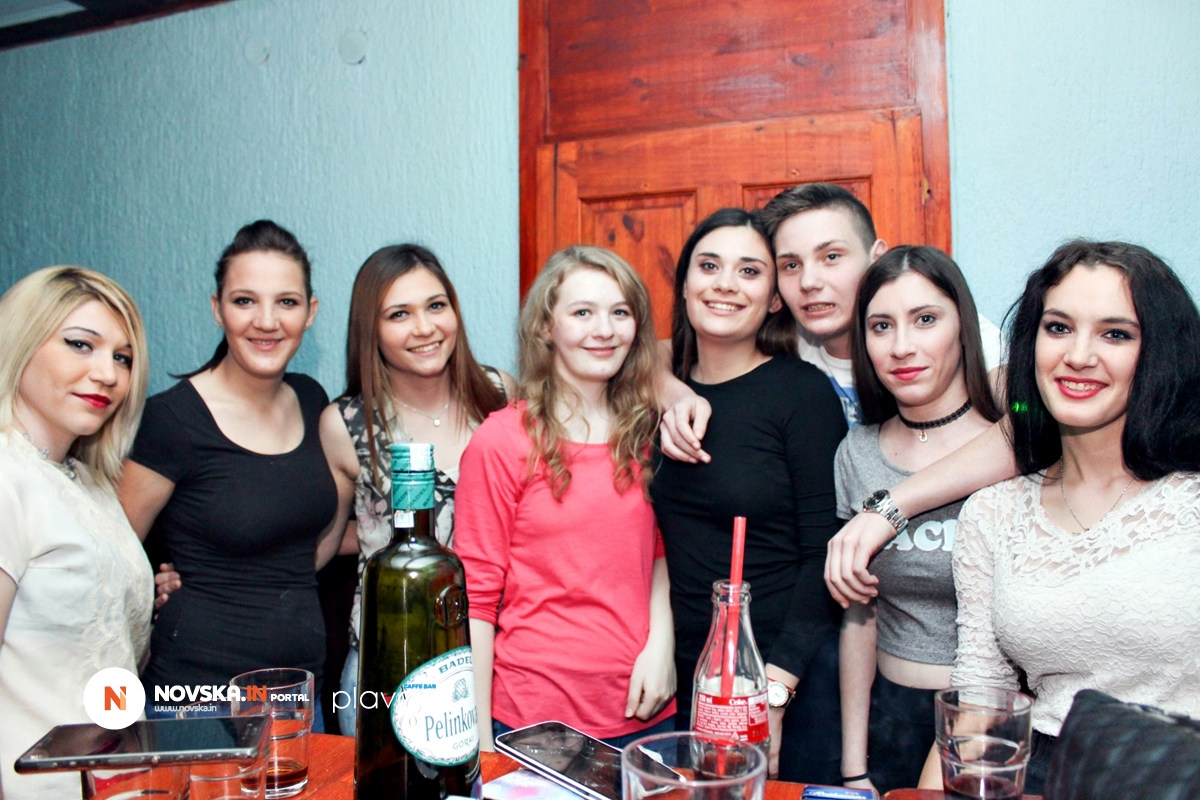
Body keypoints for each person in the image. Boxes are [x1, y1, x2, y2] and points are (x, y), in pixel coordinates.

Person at [917, 240, 1200, 793]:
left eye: (1115, 334)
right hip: (1039, 775)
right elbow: (979, 695)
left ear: (1161, 352)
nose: (1078, 355)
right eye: (1059, 328)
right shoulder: (993, 513)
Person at [118, 221, 351, 728]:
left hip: (299, 692)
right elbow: (110, 553)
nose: (266, 321)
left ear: (311, 312)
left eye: (286, 302)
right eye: (245, 301)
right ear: (217, 308)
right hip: (197, 697)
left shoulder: (312, 399)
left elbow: (302, 536)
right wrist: (153, 582)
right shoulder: (172, 420)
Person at [650, 208, 847, 783]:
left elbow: (824, 553)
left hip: (783, 676)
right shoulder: (656, 393)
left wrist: (773, 691)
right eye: (709, 266)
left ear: (775, 297)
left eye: (750, 271)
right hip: (679, 676)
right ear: (685, 283)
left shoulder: (801, 394)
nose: (726, 284)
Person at [455, 245, 675, 750]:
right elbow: (476, 600)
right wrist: (480, 744)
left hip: (647, 712)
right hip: (535, 721)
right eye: (582, 313)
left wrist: (661, 647)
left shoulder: (648, 432)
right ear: (544, 327)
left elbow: (660, 554)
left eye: (620, 312)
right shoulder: (502, 439)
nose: (605, 330)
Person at [660, 183, 1004, 461]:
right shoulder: (785, 340)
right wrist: (674, 394)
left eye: (831, 257)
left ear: (876, 258)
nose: (809, 282)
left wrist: (898, 503)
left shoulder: (938, 332)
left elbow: (1023, 408)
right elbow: (658, 351)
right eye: (791, 265)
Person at [320, 244, 514, 736]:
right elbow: (329, 537)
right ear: (371, 330)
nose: (424, 328)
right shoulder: (347, 424)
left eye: (435, 306)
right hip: (390, 666)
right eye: (399, 314)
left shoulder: (500, 396)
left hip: (494, 661)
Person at [834, 247, 1001, 793]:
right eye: (881, 326)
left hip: (990, 719)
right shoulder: (857, 452)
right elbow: (860, 615)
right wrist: (854, 767)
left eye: (925, 319)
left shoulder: (1012, 438)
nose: (901, 346)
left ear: (963, 327)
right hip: (891, 716)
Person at [0, 266, 153, 799]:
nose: (107, 374)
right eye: (80, 345)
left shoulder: (88, 481)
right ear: (21, 342)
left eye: (122, 358)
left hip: (115, 780)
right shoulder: (6, 475)